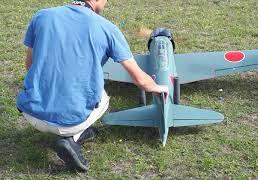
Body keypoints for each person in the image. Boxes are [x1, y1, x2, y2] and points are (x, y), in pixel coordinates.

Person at [16, 0, 168, 171]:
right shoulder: (108, 28)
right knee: (103, 97)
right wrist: (159, 87)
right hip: (68, 123)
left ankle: (74, 131)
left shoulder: (42, 15)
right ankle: (71, 140)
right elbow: (140, 80)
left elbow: (30, 65)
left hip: (30, 113)